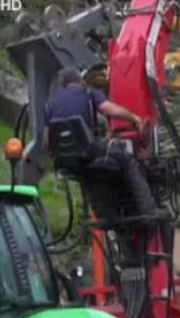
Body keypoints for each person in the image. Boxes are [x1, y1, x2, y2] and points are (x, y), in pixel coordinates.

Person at [45, 67, 156, 217]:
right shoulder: (88, 93)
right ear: (80, 81)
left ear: (63, 85)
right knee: (126, 159)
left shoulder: (51, 104)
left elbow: (47, 139)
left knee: (87, 173)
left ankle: (105, 216)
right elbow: (110, 110)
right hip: (88, 151)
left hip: (64, 160)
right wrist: (134, 118)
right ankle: (149, 211)